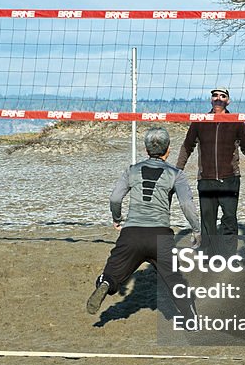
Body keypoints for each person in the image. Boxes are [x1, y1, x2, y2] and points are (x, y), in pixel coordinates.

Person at [87, 127, 202, 317]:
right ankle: (191, 319)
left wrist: (117, 219)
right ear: (168, 150)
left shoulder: (132, 170)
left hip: (132, 233)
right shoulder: (176, 174)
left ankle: (105, 283)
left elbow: (115, 198)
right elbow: (186, 205)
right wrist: (196, 230)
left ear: (146, 149)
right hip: (160, 235)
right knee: (175, 281)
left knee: (112, 273)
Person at [175, 87, 245, 242]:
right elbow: (187, 146)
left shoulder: (236, 121)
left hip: (230, 179)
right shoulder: (200, 121)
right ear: (211, 99)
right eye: (215, 96)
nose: (218, 98)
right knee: (208, 222)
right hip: (206, 180)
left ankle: (227, 256)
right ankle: (209, 256)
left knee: (230, 219)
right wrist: (177, 169)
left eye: (222, 96)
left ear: (228, 101)